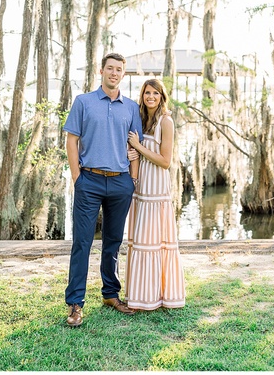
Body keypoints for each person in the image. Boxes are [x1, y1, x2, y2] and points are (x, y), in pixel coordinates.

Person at [63, 53, 143, 327]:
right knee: (82, 243)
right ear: (101, 71)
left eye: (119, 70)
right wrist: (77, 178)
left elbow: (135, 149)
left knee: (112, 242)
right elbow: (71, 141)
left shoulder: (131, 107)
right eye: (110, 68)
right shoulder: (84, 102)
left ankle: (111, 294)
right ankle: (75, 303)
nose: (114, 73)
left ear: (123, 74)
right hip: (90, 180)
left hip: (120, 182)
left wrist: (131, 181)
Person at [125, 78, 186, 310]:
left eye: (155, 93)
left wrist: (138, 147)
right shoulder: (142, 119)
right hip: (140, 187)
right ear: (142, 96)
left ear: (162, 96)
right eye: (147, 93)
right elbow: (135, 151)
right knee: (140, 241)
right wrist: (132, 154)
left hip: (156, 190)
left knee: (153, 242)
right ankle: (139, 295)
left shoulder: (165, 121)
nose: (150, 97)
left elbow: (165, 161)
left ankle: (155, 297)